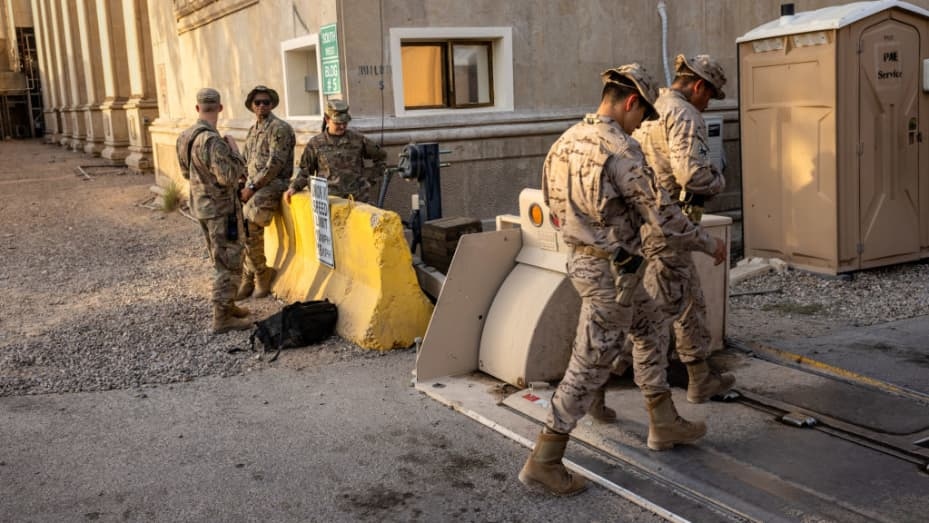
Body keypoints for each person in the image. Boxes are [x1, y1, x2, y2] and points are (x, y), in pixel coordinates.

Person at [519, 64, 726, 496]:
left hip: (585, 264)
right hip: (612, 277)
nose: (642, 125)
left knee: (651, 326)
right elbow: (664, 218)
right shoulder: (621, 150)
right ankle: (545, 459)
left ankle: (662, 420)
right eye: (642, 115)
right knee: (588, 364)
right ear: (632, 101)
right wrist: (709, 243)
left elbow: (554, 211)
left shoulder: (563, 142)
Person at [629, 54, 735, 406]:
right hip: (671, 222)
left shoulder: (653, 108)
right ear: (699, 85)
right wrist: (718, 180)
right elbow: (692, 175)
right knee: (658, 309)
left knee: (689, 299)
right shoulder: (685, 114)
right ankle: (609, 376)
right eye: (710, 95)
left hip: (646, 221)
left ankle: (699, 377)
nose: (708, 105)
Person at [175, 88, 252, 334]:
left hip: (202, 207)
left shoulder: (185, 137)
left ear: (197, 108)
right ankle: (222, 318)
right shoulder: (213, 141)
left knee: (218, 257)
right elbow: (229, 177)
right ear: (220, 108)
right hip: (221, 210)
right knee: (228, 262)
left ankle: (228, 305)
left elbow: (185, 173)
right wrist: (235, 152)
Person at [236, 85, 296, 300]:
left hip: (273, 184)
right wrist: (242, 182)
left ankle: (261, 274)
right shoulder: (253, 130)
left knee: (249, 222)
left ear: (272, 105)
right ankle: (248, 275)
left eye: (266, 102)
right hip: (252, 185)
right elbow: (245, 161)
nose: (261, 105)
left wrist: (252, 188)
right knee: (238, 224)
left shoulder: (279, 128)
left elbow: (275, 164)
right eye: (257, 102)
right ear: (252, 106)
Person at [284, 100, 387, 205]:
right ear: (327, 119)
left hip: (356, 200)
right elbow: (305, 171)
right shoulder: (316, 143)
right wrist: (294, 187)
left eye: (345, 123)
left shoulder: (357, 140)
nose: (342, 126)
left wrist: (369, 180)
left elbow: (382, 157)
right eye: (338, 123)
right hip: (329, 202)